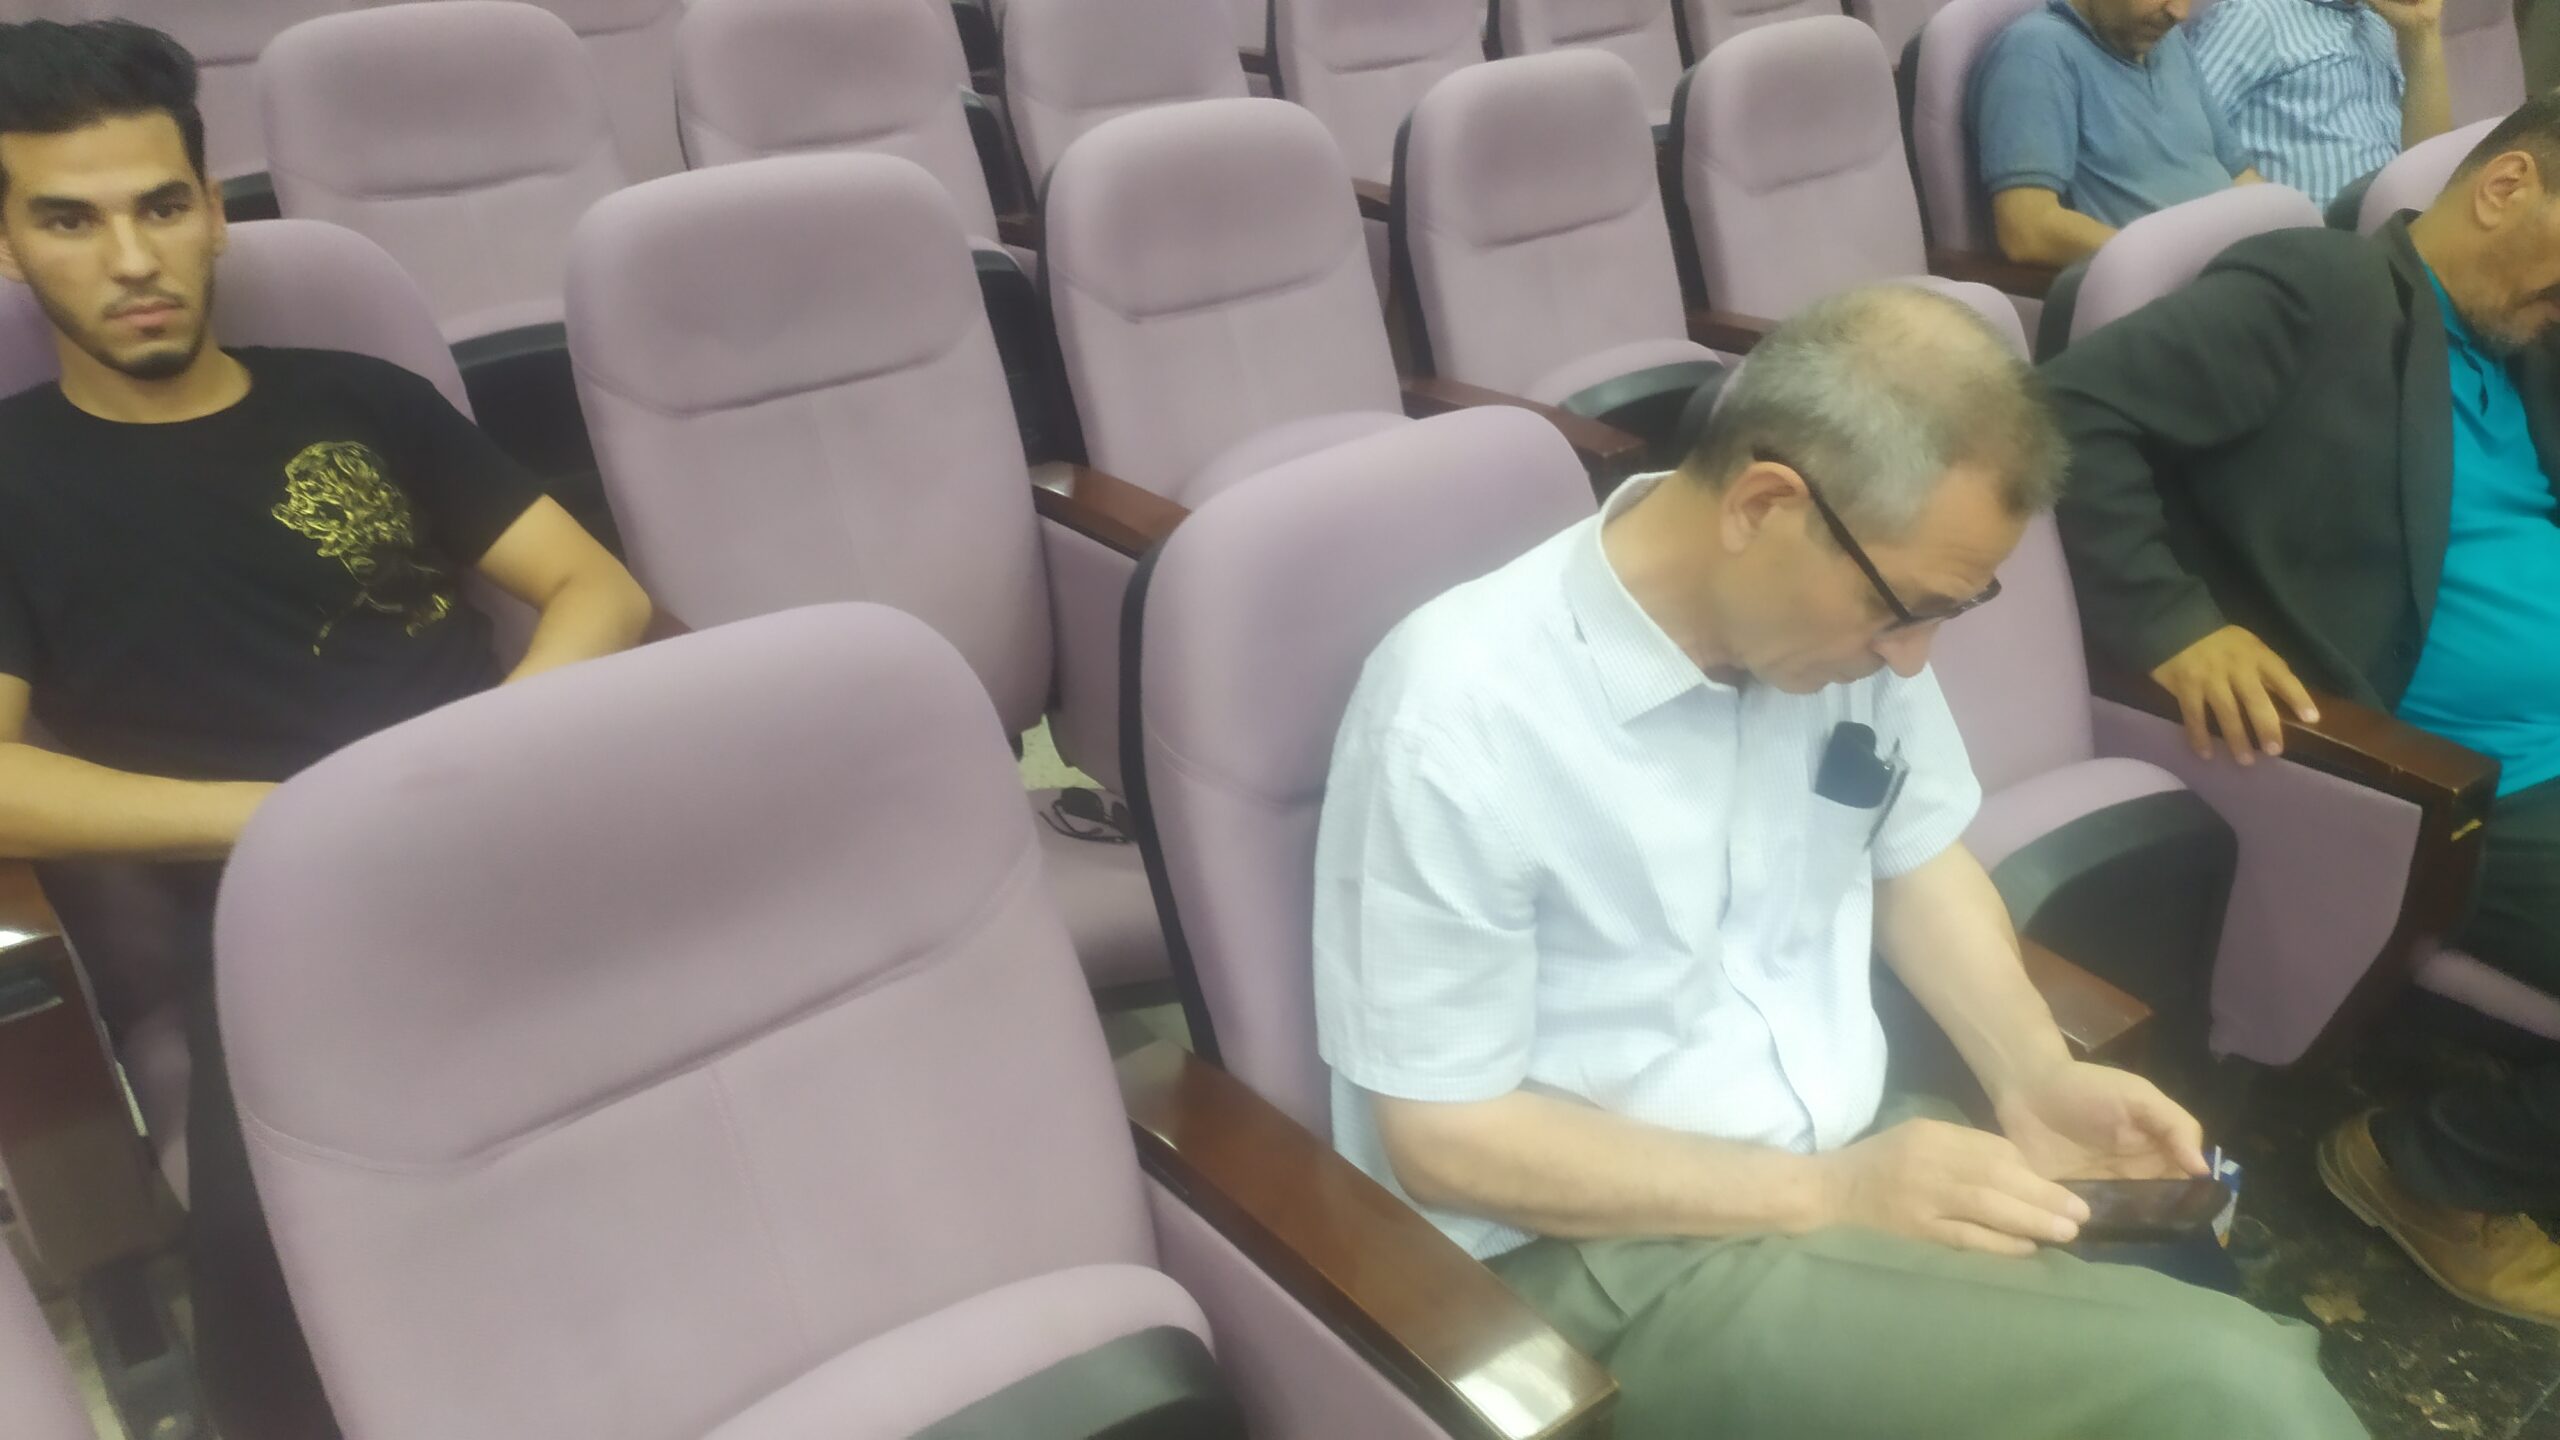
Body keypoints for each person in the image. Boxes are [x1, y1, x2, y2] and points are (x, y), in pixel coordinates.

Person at [1312, 285, 2365, 1438]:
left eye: (1950, 613)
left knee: (2191, 1293)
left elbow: (1914, 857)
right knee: (2231, 1394)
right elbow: (1443, 1138)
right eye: (1902, 612)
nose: (1911, 662)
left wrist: (2029, 1073)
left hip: (1841, 1151)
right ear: (1764, 504)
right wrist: (1824, 1193)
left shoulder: (1829, 637)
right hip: (1605, 1252)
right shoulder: (1459, 714)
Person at [0, 20, 653, 1436]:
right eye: (69, 220)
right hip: (274, 928)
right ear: (10, 243)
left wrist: (485, 760)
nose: (131, 259)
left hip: (514, 838)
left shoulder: (360, 399)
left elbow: (596, 589)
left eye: (160, 206)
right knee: (315, 1338)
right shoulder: (13, 480)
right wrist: (292, 823)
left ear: (212, 212)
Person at [2049, 97, 2560, 1329]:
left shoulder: (2521, 341)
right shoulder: (2319, 292)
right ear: (2504, 188)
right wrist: (2173, 622)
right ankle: (2427, 1170)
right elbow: (2060, 412)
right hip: (2471, 785)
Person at [1972, 0, 2267, 268]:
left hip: (2237, 268)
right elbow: (2027, 231)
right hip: (2165, 287)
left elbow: (2242, 176)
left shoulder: (2168, 43)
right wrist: (2175, 260)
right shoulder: (2036, 52)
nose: (2179, 12)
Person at [2192, 0, 2451, 210]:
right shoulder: (2252, 16)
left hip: (2392, 237)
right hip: (2305, 249)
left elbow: (2428, 165)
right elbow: (2182, 141)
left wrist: (2422, 33)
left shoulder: (2376, 24)